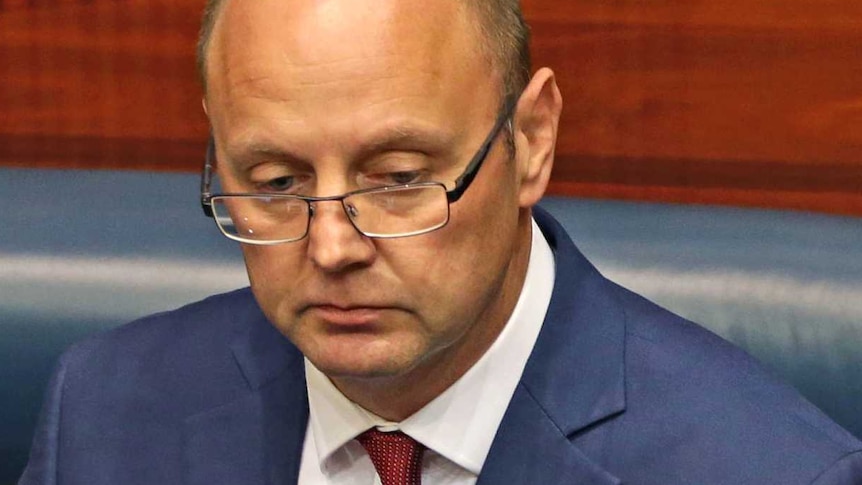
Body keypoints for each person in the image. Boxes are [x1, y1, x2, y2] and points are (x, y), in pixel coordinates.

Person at [19, 0, 862, 483]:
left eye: (396, 177)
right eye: (276, 182)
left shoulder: (765, 470)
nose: (333, 247)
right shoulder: (101, 414)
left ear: (530, 141)